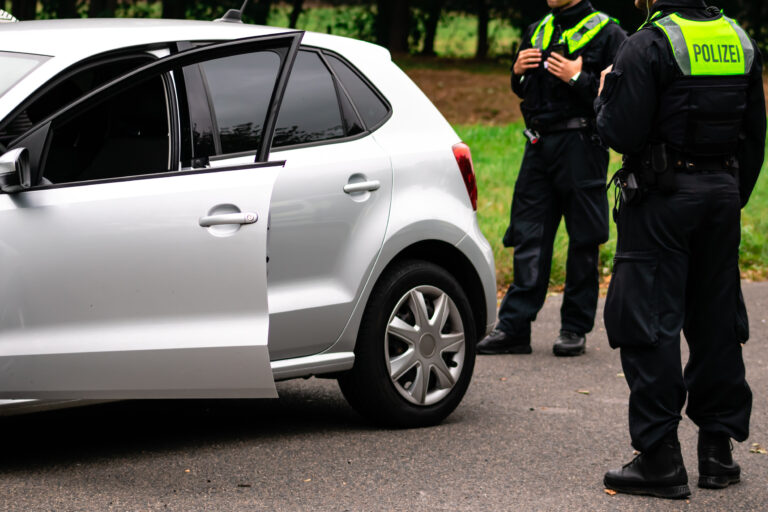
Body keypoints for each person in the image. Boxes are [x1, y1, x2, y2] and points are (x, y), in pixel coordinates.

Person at [596, 0, 766, 499]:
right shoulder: (738, 40)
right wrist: (732, 194)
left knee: (647, 322)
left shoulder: (647, 43)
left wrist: (604, 92)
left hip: (662, 200)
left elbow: (620, 131)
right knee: (716, 321)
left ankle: (659, 460)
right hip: (722, 195)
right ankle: (718, 454)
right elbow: (755, 134)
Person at [477, 0, 626, 357]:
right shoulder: (537, 29)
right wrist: (516, 71)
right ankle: (514, 328)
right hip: (539, 145)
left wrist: (578, 77)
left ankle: (574, 328)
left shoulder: (609, 33)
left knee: (584, 240)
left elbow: (621, 95)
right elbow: (523, 89)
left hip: (582, 146)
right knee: (528, 235)